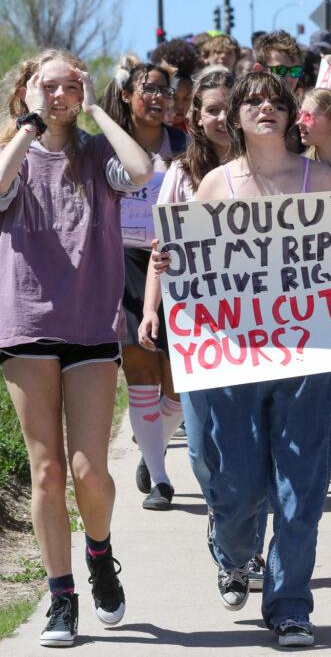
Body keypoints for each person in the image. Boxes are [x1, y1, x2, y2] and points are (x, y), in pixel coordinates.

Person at [0, 48, 153, 647]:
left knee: (89, 470)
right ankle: (61, 596)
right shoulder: (6, 156)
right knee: (46, 471)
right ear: (27, 94)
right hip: (25, 324)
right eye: (47, 87)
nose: (59, 96)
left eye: (70, 87)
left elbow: (142, 171)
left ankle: (99, 553)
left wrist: (100, 110)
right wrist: (28, 127)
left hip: (92, 325)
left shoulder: (98, 154)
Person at [150, 71, 331, 648]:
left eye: (276, 102)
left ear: (291, 117)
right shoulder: (213, 186)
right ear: (234, 116)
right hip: (230, 358)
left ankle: (289, 606)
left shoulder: (323, 180)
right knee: (229, 477)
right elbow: (188, 264)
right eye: (253, 101)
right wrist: (167, 273)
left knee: (300, 487)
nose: (265, 109)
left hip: (307, 356)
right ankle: (232, 548)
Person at [100, 57, 187, 511]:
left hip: (178, 263)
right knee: (140, 367)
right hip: (122, 262)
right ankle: (160, 476)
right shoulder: (110, 145)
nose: (156, 98)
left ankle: (151, 442)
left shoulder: (187, 147)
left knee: (176, 387)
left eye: (164, 91)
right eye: (146, 89)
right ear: (128, 96)